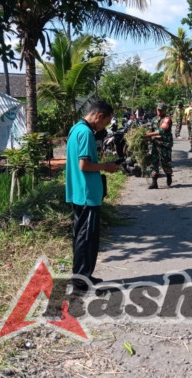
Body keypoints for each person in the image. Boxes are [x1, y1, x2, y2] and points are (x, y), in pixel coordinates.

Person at [65, 100, 120, 295]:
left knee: (81, 237)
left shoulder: (76, 129)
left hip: (79, 192)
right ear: (99, 116)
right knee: (87, 239)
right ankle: (81, 284)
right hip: (87, 193)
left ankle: (83, 276)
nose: (103, 127)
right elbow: (84, 165)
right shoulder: (86, 132)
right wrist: (107, 166)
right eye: (105, 122)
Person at [145, 102, 174, 189]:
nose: (159, 111)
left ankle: (168, 175)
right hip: (155, 144)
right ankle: (154, 182)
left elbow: (161, 131)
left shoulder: (167, 119)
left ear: (165, 110)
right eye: (158, 110)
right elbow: (150, 129)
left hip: (164, 144)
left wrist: (148, 134)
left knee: (165, 163)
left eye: (161, 110)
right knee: (154, 163)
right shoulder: (154, 119)